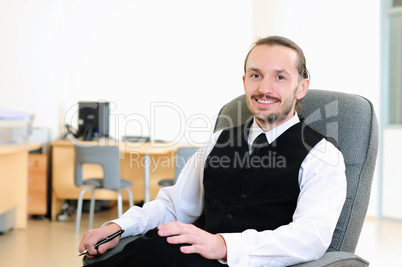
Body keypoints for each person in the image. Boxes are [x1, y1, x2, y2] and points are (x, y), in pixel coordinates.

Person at [79, 36, 347, 267]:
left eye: (280, 77)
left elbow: (310, 237)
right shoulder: (218, 140)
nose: (264, 89)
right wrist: (120, 226)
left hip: (250, 262)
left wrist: (223, 245)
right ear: (244, 81)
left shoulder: (322, 154)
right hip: (187, 257)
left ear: (301, 87)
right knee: (155, 247)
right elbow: (174, 206)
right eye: (256, 75)